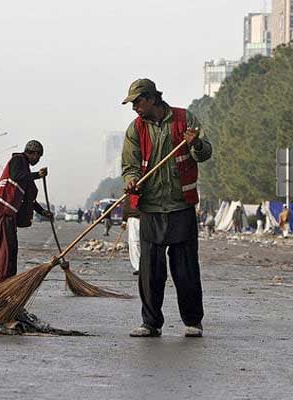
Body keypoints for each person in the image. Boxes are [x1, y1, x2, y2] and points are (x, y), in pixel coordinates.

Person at [121, 78, 212, 338]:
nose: (134, 107)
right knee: (150, 272)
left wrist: (195, 143)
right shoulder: (135, 129)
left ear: (152, 99)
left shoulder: (185, 119)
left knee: (185, 270)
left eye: (137, 102)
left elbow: (204, 153)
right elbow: (130, 165)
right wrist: (130, 181)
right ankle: (150, 323)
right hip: (150, 207)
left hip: (180, 207)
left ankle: (193, 321)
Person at [0, 140, 53, 284]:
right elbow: (16, 175)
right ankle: (0, 288)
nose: (38, 160)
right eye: (38, 156)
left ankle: (8, 285)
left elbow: (29, 199)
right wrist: (37, 175)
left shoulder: (25, 171)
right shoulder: (18, 160)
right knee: (4, 253)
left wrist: (43, 212)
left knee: (12, 251)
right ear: (32, 153)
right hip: (0, 211)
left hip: (9, 215)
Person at [122, 197, 141, 275]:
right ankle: (140, 266)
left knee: (134, 243)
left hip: (136, 218)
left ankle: (139, 266)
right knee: (137, 243)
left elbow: (126, 207)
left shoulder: (130, 192)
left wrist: (124, 221)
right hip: (141, 218)